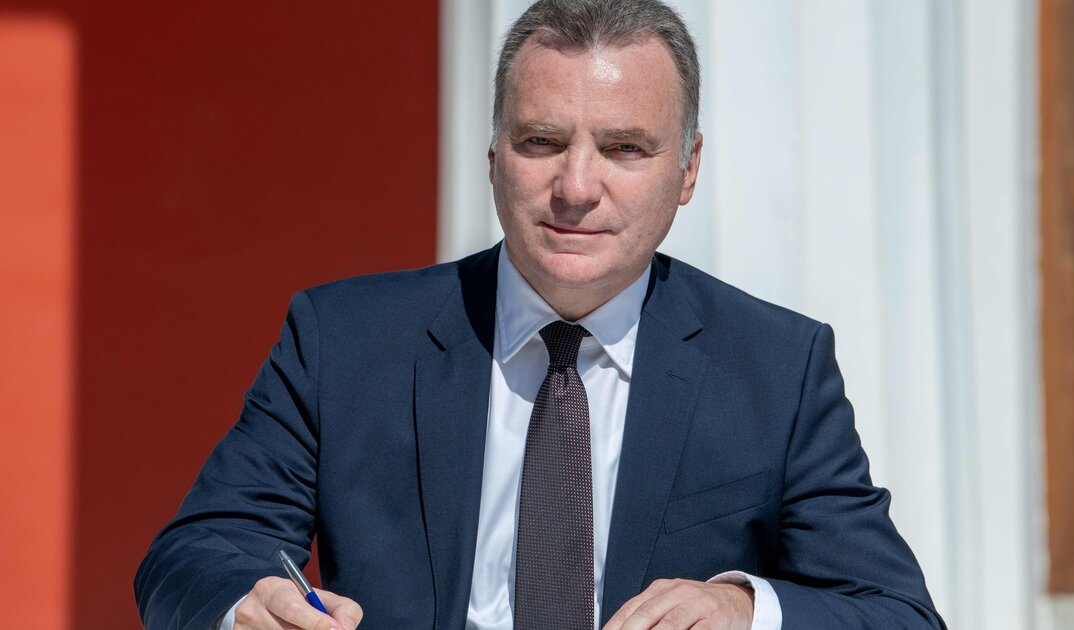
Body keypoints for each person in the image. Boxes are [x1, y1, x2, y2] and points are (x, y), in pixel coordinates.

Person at [135, 0, 944, 628]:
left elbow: (896, 613)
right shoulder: (345, 341)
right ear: (494, 154)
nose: (576, 188)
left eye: (625, 148)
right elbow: (194, 554)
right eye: (542, 142)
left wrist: (744, 609)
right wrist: (248, 605)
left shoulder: (776, 367)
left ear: (689, 168)